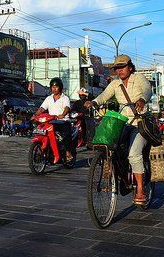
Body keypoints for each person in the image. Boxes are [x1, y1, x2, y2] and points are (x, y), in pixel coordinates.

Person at [85, 54, 152, 205]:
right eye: (117, 68)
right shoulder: (115, 84)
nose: (120, 71)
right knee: (109, 144)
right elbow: (104, 95)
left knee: (134, 154)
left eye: (122, 67)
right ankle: (115, 173)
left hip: (139, 123)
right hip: (122, 122)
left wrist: (142, 99)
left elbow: (148, 90)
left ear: (130, 67)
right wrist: (94, 102)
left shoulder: (139, 78)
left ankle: (140, 189)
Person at [35, 77, 71, 163]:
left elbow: (67, 107)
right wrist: (36, 114)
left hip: (63, 121)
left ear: (60, 87)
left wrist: (63, 115)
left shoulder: (65, 98)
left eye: (56, 87)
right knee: (41, 132)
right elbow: (42, 108)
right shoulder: (48, 98)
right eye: (52, 87)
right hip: (51, 121)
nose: (54, 89)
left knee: (64, 136)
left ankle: (68, 152)